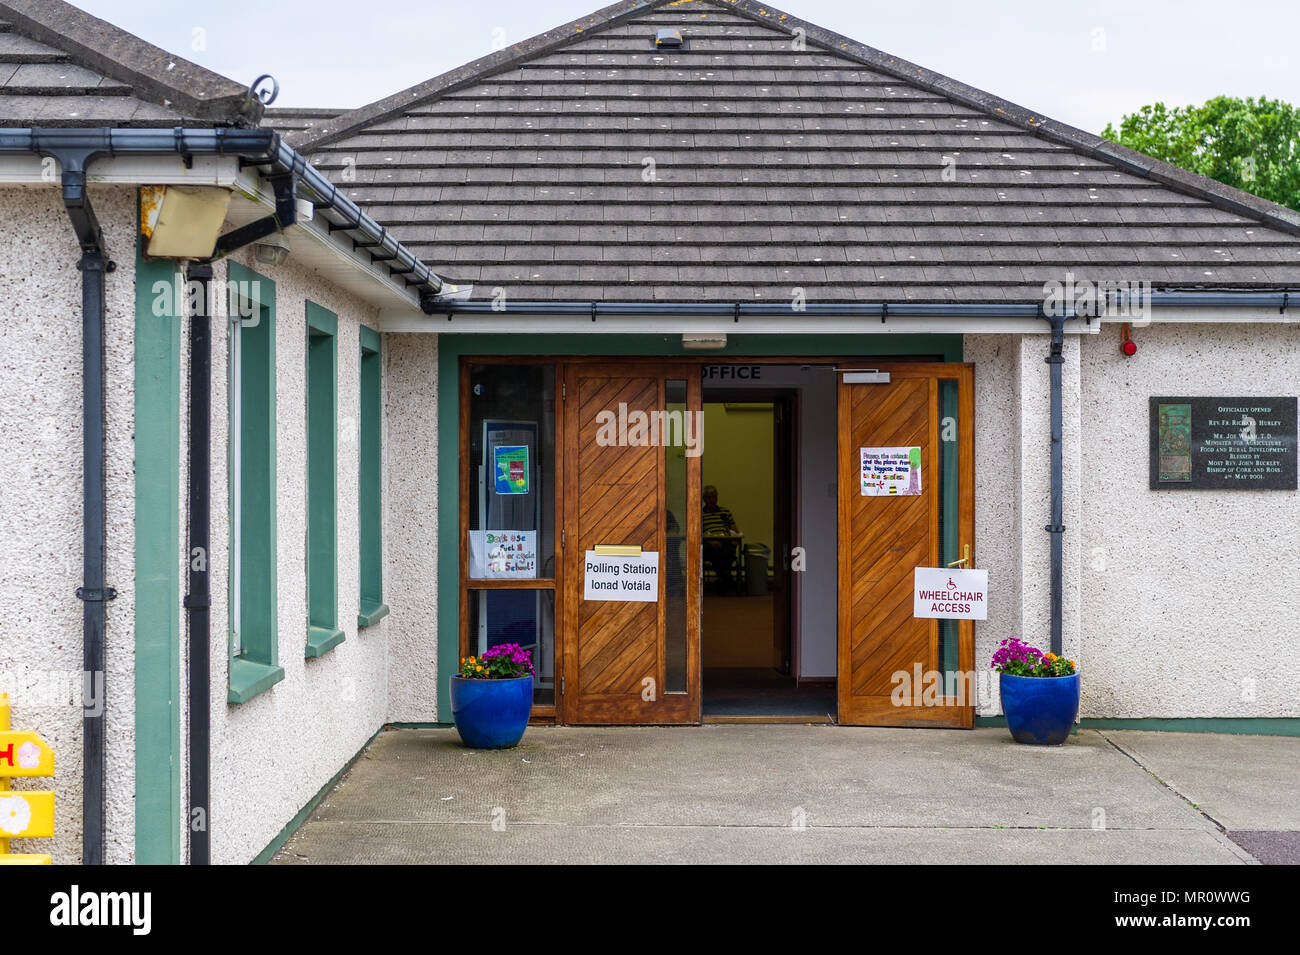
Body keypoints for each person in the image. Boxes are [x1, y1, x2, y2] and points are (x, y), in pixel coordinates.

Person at [702, 484, 741, 595]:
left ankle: (723, 580)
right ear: (704, 499)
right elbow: (697, 534)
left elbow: (734, 529)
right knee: (717, 551)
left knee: (726, 549)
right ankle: (725, 579)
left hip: (725, 542)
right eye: (709, 497)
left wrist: (734, 538)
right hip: (708, 543)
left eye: (714, 497)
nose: (711, 500)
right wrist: (710, 541)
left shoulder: (725, 512)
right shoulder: (700, 513)